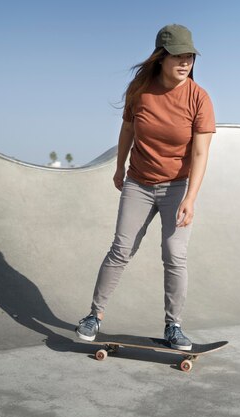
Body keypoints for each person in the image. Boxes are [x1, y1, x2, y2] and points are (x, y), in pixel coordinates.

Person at [75, 24, 215, 351]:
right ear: (161, 57)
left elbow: (200, 152)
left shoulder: (199, 98)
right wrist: (119, 166)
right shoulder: (140, 89)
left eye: (189, 56)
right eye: (178, 56)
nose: (185, 62)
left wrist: (191, 198)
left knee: (174, 255)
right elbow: (127, 129)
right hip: (138, 182)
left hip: (177, 186)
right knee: (121, 249)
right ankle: (94, 315)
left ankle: (174, 326)